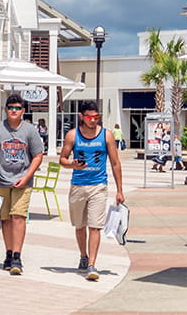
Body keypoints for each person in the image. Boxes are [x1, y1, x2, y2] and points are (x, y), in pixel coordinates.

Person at [60, 101, 124, 282]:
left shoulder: (107, 135)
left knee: (95, 225)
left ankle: (92, 265)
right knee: (79, 226)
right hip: (78, 185)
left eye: (96, 117)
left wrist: (120, 190)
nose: (93, 120)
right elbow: (62, 159)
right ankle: (83, 256)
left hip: (99, 186)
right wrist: (72, 164)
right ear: (81, 116)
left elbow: (115, 163)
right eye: (89, 117)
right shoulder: (73, 135)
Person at [0, 92, 44, 275]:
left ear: (23, 111)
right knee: (6, 219)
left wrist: (26, 177)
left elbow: (38, 156)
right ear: (5, 110)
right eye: (10, 108)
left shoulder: (30, 131)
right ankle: (8, 253)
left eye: (17, 108)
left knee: (18, 217)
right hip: (1, 181)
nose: (14, 111)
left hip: (22, 182)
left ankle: (17, 256)